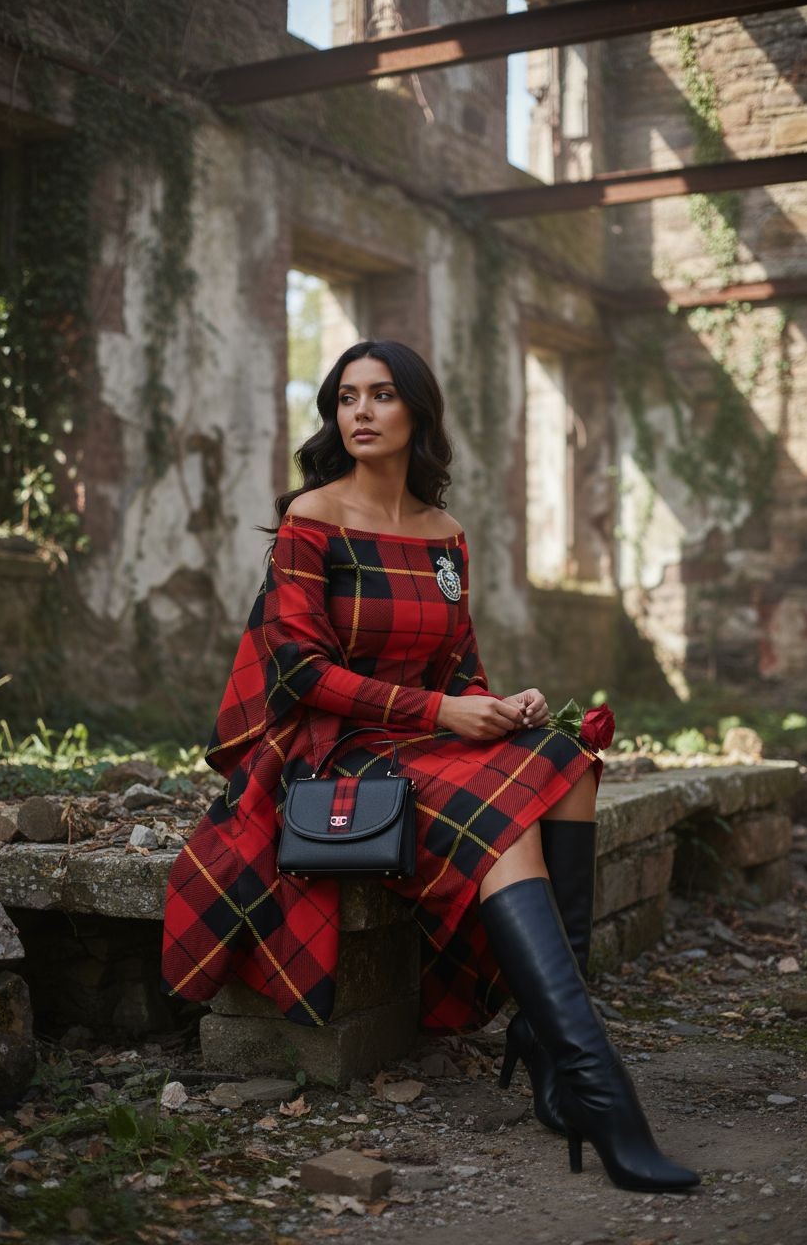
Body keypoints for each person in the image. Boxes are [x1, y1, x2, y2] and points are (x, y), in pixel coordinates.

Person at [161, 339, 700, 1194]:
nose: (361, 412)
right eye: (346, 398)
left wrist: (497, 707)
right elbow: (299, 673)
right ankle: (604, 1098)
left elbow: (459, 669)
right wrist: (441, 714)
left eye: (380, 395)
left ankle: (544, 1034)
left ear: (416, 412)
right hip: (338, 749)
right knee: (506, 821)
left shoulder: (447, 535)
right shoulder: (313, 516)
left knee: (566, 755)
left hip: (426, 736)